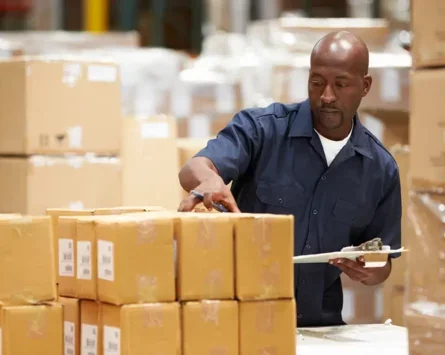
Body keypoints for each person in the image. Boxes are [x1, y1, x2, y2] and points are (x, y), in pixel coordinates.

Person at [177, 31, 402, 327]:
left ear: (365, 86)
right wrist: (208, 179)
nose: (327, 96)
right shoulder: (262, 130)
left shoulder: (380, 170)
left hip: (319, 328)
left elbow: (382, 262)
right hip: (243, 322)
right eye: (317, 82)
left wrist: (370, 270)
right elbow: (194, 168)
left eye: (341, 84)